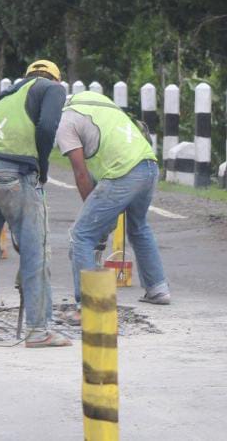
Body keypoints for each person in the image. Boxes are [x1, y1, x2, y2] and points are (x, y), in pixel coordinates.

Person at [0, 60, 69, 348]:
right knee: (35, 252)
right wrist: (43, 167)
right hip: (14, 175)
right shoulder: (51, 88)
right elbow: (47, 127)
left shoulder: (8, 94)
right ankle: (38, 331)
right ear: (55, 78)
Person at [58, 89, 170, 319]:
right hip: (148, 164)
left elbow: (81, 174)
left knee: (82, 235)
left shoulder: (65, 122)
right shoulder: (97, 99)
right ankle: (158, 289)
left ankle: (88, 307)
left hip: (123, 172)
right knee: (139, 227)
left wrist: (95, 220)